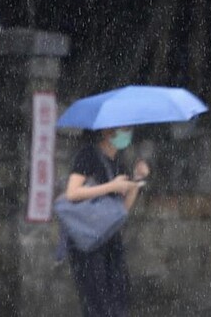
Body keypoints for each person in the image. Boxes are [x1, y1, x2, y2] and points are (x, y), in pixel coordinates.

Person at [65, 126, 150, 317]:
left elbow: (121, 211)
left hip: (110, 239)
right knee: (97, 304)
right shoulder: (88, 155)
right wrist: (111, 186)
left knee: (118, 301)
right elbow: (72, 193)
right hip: (87, 241)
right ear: (107, 132)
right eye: (122, 130)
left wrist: (137, 180)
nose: (126, 135)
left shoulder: (118, 162)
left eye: (129, 129)